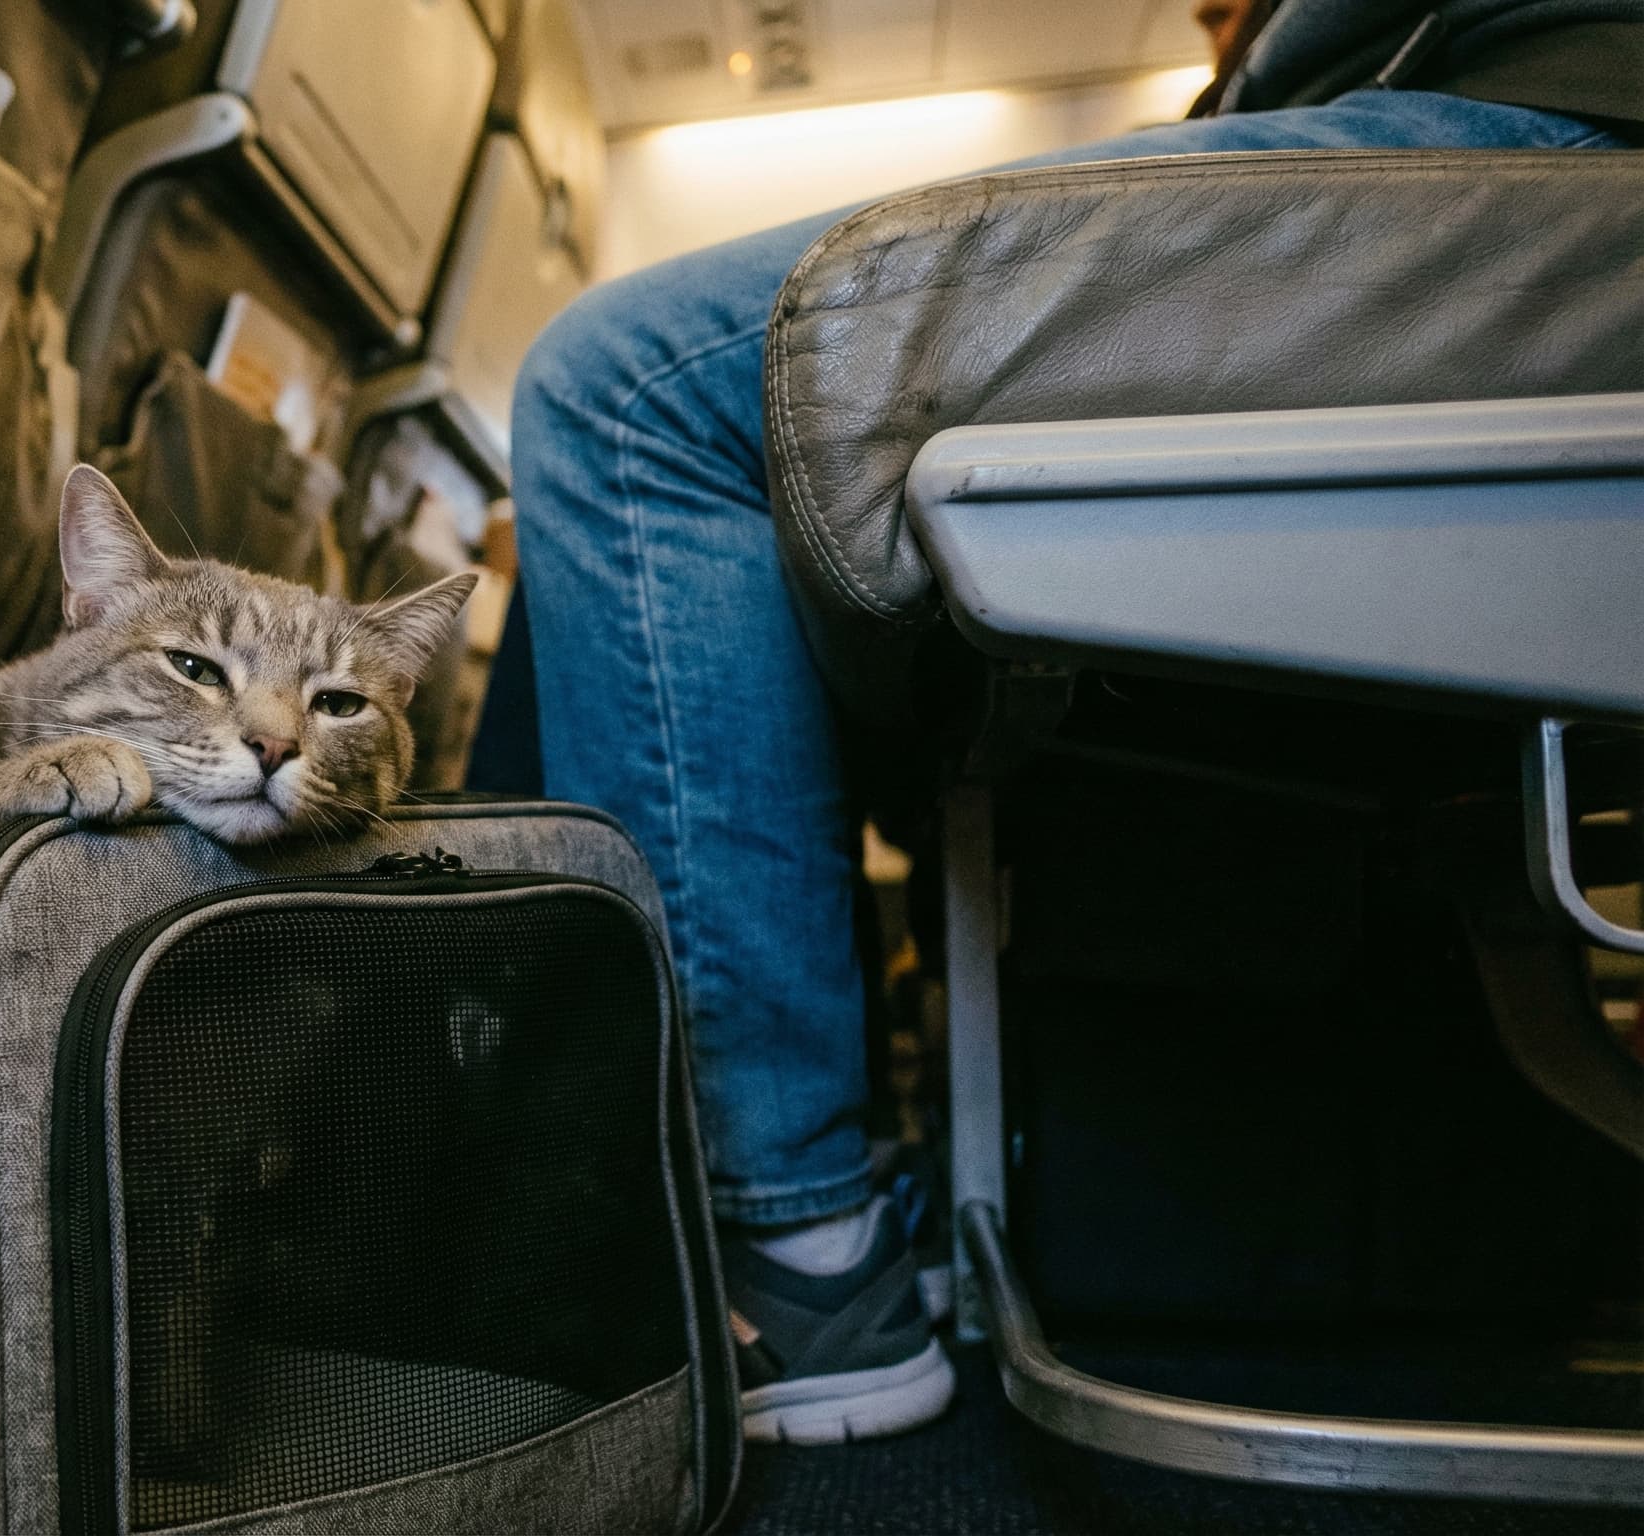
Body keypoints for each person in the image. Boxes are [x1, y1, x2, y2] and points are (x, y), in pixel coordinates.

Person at [511, 0, 1640, 1444]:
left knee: (630, 392)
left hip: (1567, 111)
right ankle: (806, 1200)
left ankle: (792, 1243)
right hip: (1520, 104)